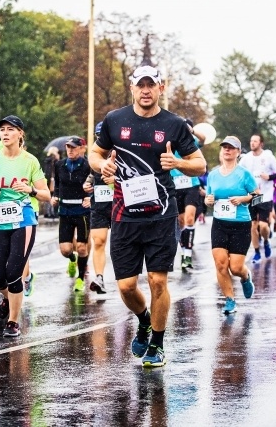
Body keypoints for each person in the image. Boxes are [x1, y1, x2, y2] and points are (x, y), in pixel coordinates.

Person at [88, 65, 206, 368]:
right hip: (124, 213)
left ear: (161, 88)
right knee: (126, 286)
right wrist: (102, 166)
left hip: (162, 215)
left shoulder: (175, 125)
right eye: (140, 85)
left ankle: (157, 342)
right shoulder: (115, 120)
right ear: (131, 87)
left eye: (151, 85)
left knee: (157, 280)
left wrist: (177, 163)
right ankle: (143, 319)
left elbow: (200, 164)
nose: (145, 90)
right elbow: (94, 153)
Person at [0, 115, 50, 338]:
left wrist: (29, 190)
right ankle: (8, 299)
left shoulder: (30, 161)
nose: (5, 133)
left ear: (20, 134)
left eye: (10, 129)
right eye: (2, 130)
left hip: (24, 220)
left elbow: (46, 195)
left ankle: (13, 322)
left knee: (13, 273)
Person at [204, 136, 257, 315]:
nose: (227, 150)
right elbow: (209, 198)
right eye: (224, 147)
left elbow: (258, 197)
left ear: (238, 152)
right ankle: (229, 299)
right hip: (219, 224)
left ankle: (245, 276)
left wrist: (243, 199)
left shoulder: (244, 174)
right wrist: (208, 200)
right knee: (220, 264)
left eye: (231, 147)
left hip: (240, 225)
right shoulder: (213, 175)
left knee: (235, 267)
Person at [51, 136, 92, 291]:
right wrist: (55, 196)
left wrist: (90, 198)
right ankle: (72, 259)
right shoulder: (60, 164)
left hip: (82, 211)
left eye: (74, 147)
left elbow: (95, 184)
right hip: (65, 211)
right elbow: (58, 184)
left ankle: (80, 279)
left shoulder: (88, 166)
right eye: (68, 147)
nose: (70, 150)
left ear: (82, 149)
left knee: (82, 247)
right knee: (65, 250)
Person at [238, 134, 276, 263]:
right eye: (251, 141)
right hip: (251, 196)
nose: (252, 143)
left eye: (255, 141)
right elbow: (238, 173)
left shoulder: (268, 156)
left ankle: (266, 241)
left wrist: (269, 177)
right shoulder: (246, 159)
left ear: (261, 143)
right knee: (252, 226)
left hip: (264, 196)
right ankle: (256, 252)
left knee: (262, 226)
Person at [83, 122, 114, 295]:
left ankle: (125, 278)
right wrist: (88, 184)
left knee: (120, 245)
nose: (101, 139)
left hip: (120, 204)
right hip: (100, 204)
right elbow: (92, 174)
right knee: (99, 241)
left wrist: (116, 180)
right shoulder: (95, 156)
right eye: (98, 136)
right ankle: (99, 278)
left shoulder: (123, 154)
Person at [173, 119, 205, 270]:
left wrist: (191, 130)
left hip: (191, 185)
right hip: (176, 187)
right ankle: (183, 250)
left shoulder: (191, 142)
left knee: (189, 218)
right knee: (180, 222)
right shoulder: (172, 140)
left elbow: (203, 139)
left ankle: (187, 254)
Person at [42, 147, 60, 219]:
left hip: (47, 180)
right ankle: (52, 212)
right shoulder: (54, 160)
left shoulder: (47, 160)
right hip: (53, 180)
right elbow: (56, 170)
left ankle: (47, 212)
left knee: (47, 197)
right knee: (53, 196)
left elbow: (47, 171)